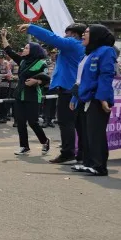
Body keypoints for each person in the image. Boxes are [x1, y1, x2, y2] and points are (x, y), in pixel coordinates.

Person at [21, 22, 86, 163]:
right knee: (79, 123)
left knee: (66, 121)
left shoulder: (72, 43)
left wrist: (32, 28)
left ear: (74, 34)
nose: (65, 35)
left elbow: (52, 38)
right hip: (78, 87)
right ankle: (81, 154)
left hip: (69, 88)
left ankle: (68, 153)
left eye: (67, 33)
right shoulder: (83, 46)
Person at [70, 25, 116, 176]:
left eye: (87, 32)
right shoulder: (88, 53)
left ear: (96, 35)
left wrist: (103, 98)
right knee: (86, 132)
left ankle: (99, 166)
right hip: (84, 97)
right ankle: (87, 162)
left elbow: (106, 75)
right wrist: (75, 97)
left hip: (97, 99)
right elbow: (80, 79)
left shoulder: (106, 51)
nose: (83, 34)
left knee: (96, 133)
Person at [1, 29, 51, 155]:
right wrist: (3, 37)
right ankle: (24, 146)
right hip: (19, 94)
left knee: (33, 122)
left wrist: (36, 81)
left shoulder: (41, 63)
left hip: (33, 96)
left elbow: (47, 78)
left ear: (33, 50)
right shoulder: (22, 61)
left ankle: (45, 141)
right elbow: (9, 51)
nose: (24, 49)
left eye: (27, 48)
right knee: (20, 121)